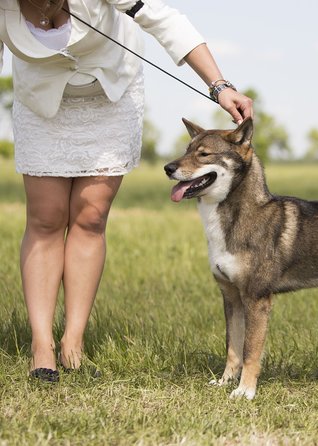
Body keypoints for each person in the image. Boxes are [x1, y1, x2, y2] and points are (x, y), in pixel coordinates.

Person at [0, 0, 254, 382]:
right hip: (41, 102)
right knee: (46, 216)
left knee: (91, 215)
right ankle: (42, 346)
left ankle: (73, 342)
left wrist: (219, 85)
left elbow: (163, 19)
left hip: (110, 96)